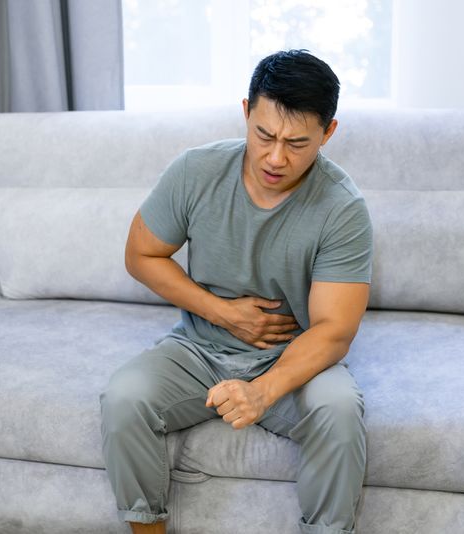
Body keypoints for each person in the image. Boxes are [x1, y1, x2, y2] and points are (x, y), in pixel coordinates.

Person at [100, 49, 372, 534]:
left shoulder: (342, 207)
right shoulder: (195, 172)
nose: (275, 156)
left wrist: (260, 392)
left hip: (291, 356)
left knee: (339, 412)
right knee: (125, 397)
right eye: (264, 135)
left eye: (297, 143)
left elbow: (333, 332)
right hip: (198, 348)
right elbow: (140, 255)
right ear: (246, 112)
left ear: (329, 134)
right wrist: (223, 313)